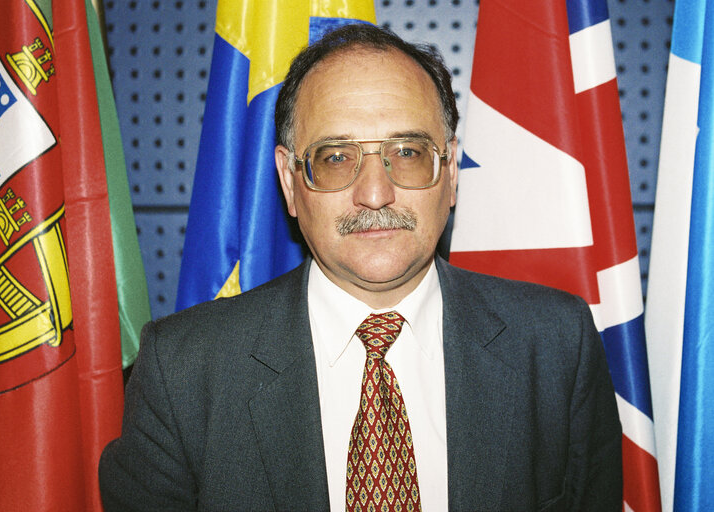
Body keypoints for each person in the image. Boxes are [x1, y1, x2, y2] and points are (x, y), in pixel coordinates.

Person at [99, 23, 622, 511]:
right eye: (335, 158)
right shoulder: (183, 372)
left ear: (451, 170)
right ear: (288, 180)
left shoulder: (557, 346)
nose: (375, 193)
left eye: (408, 151)